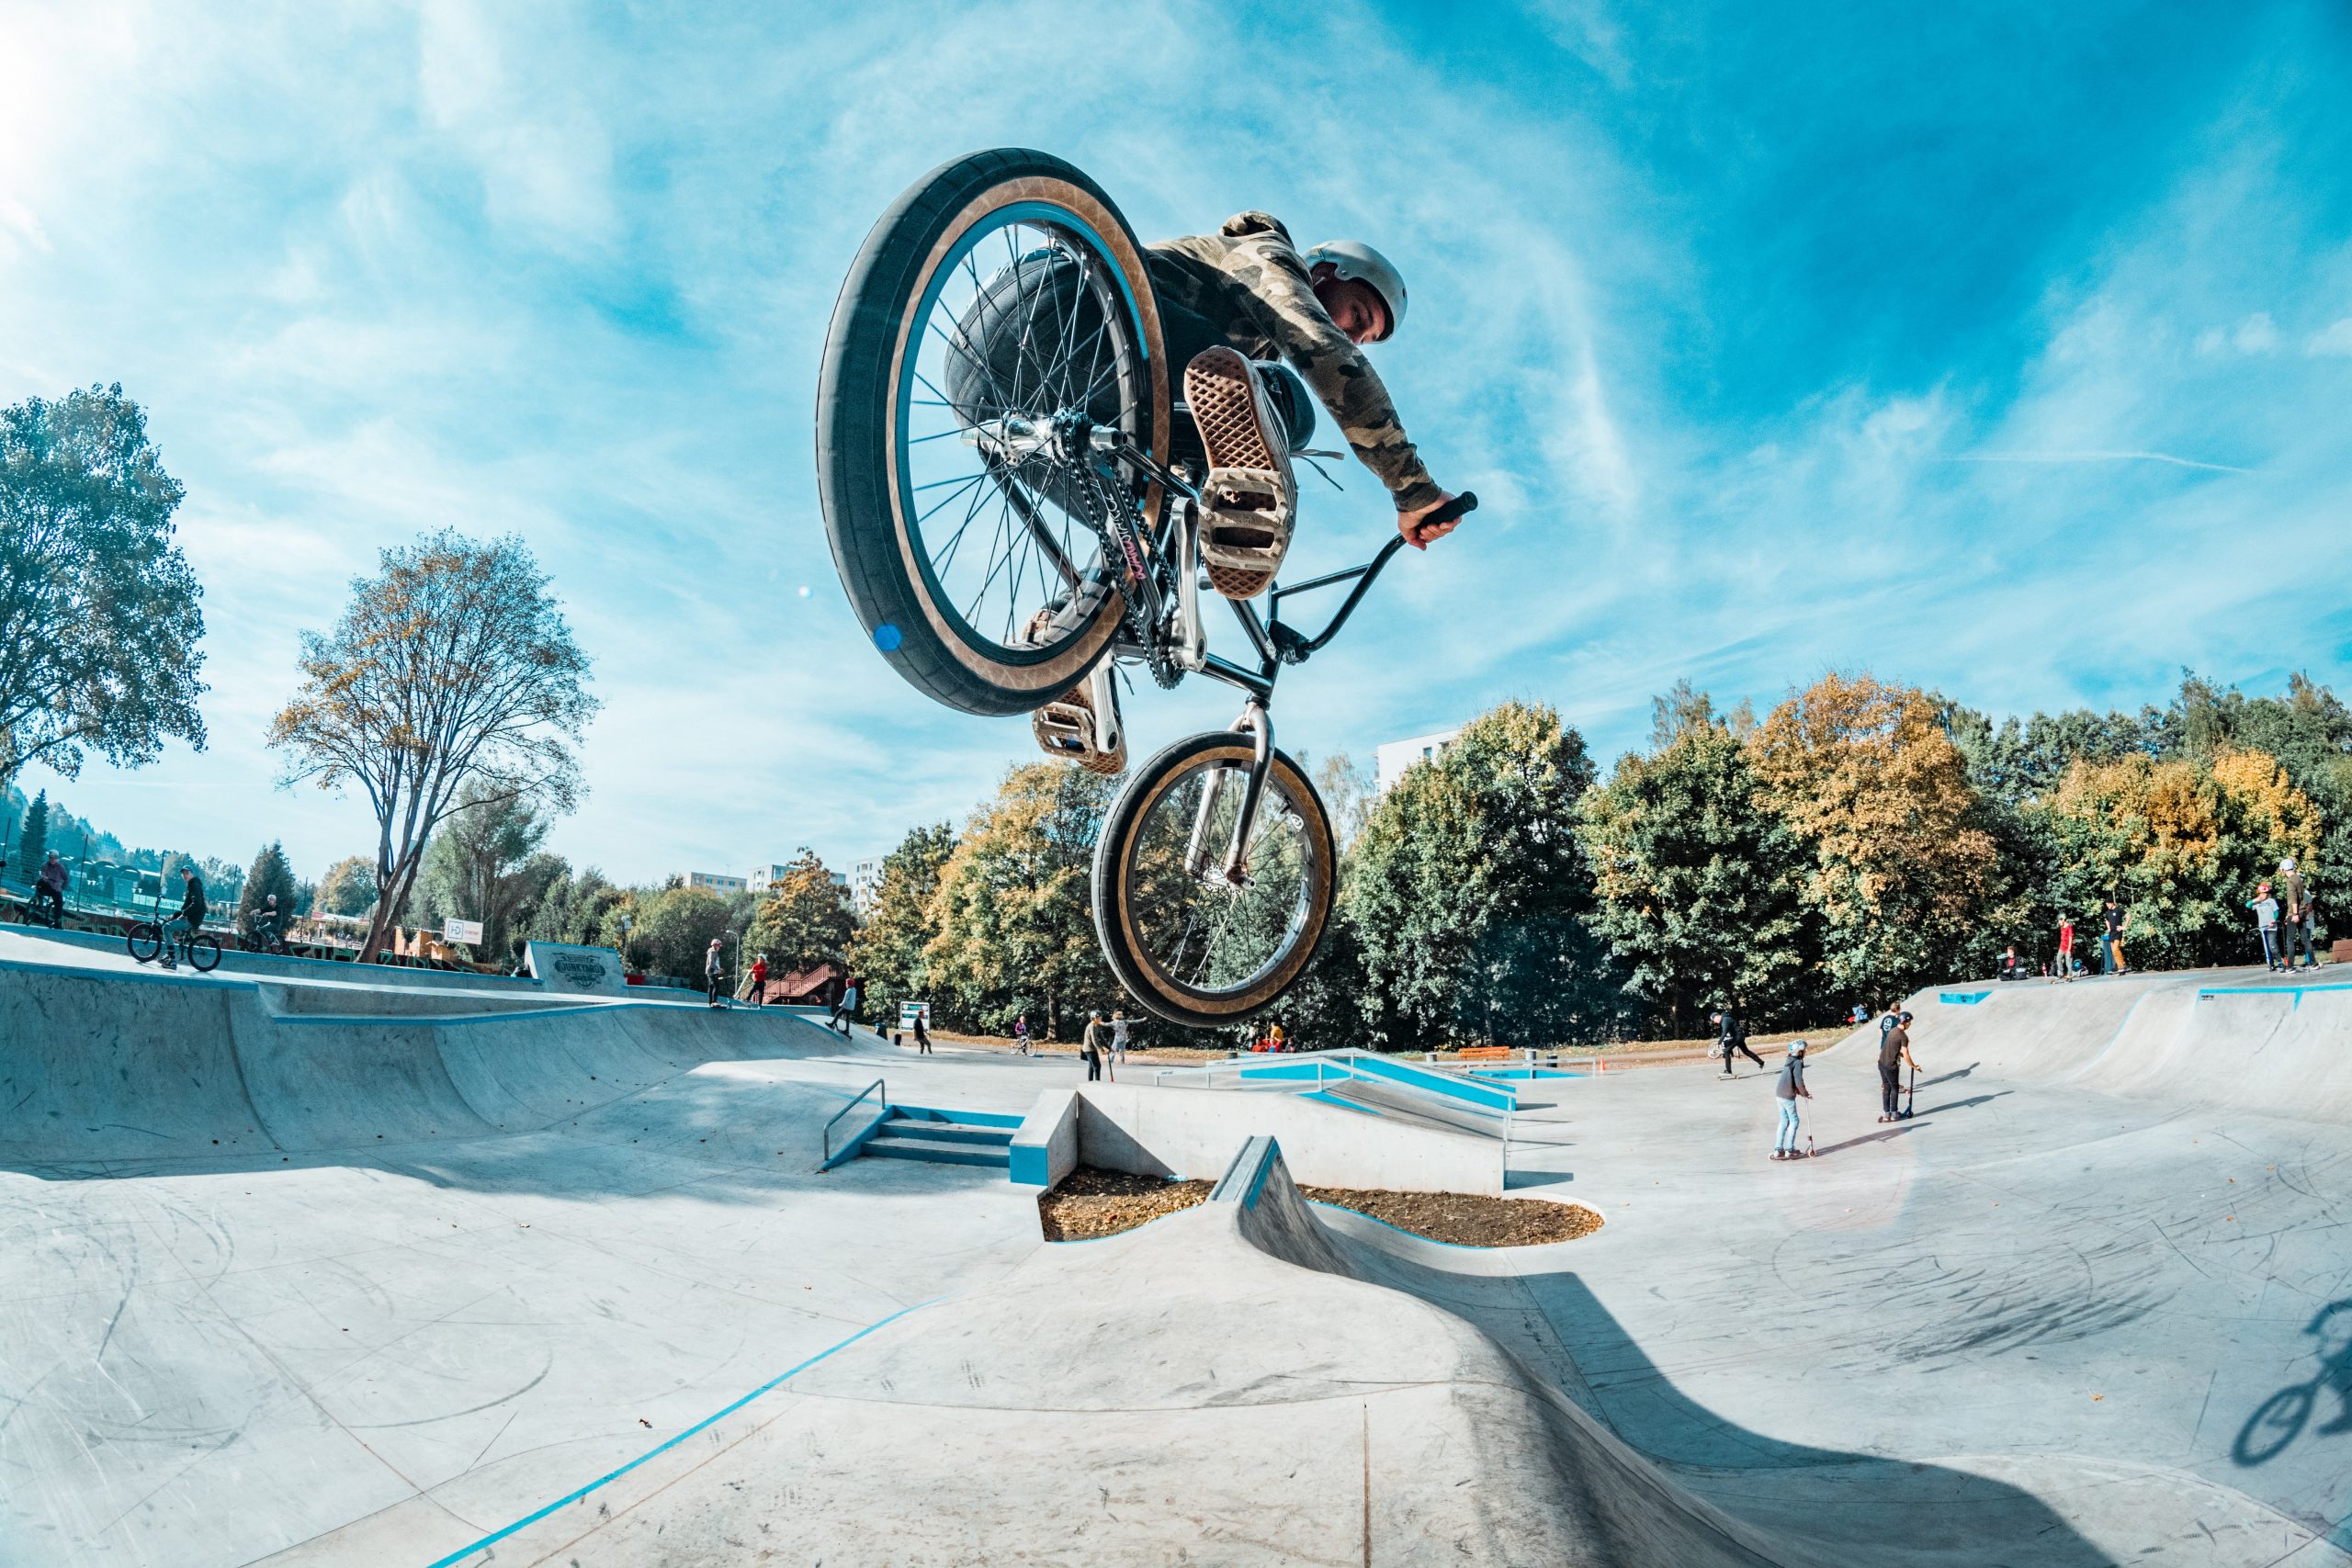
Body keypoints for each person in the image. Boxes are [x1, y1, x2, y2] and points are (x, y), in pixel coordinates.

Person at [1023, 214, 1460, 769]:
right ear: (1325, 272)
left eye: (1364, 340)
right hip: (1068, 306)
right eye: (1356, 318)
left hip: (994, 379)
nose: (1353, 339)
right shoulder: (1265, 251)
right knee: (1286, 400)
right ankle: (1245, 487)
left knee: (1144, 516)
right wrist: (1413, 490)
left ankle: (1070, 639)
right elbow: (1323, 350)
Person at [1770, 1040, 1813, 1161]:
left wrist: (1802, 1093)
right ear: (1799, 1052)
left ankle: (1778, 1149)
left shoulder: (1789, 1060)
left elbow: (1792, 1081)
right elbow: (1798, 1081)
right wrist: (1805, 1093)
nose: (1805, 1052)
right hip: (1787, 1096)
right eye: (1804, 1050)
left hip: (1779, 1094)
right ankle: (1790, 1149)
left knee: (1784, 1121)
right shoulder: (1798, 1063)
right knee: (1794, 1121)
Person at [159, 864, 206, 969]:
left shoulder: (194, 886)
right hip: (191, 916)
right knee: (169, 921)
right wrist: (177, 914)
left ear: (192, 873)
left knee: (166, 928)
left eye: (187, 873)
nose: (185, 875)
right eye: (183, 873)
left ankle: (172, 960)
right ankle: (169, 954)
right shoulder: (192, 885)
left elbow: (197, 903)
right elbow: (189, 906)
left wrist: (184, 914)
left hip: (191, 919)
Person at [2279, 858, 2321, 972]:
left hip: (2295, 913)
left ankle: (2290, 967)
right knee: (2305, 939)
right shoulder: (2298, 878)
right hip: (2302, 912)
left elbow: (2293, 898)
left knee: (2290, 939)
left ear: (2283, 869)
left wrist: (2294, 914)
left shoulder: (2290, 881)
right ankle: (2313, 963)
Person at [1878, 1011, 1919, 1122]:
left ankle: (1887, 1114)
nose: (1910, 1024)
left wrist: (1903, 1057)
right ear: (1905, 1022)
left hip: (1881, 1063)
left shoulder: (1892, 1031)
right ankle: (1894, 1114)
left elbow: (1893, 1050)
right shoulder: (1903, 1036)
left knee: (1886, 1089)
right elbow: (1906, 1054)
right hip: (1891, 1066)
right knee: (1894, 1089)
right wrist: (1914, 1066)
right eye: (1910, 1022)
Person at [1713, 1009, 1764, 1077]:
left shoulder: (1725, 1020)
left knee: (1726, 1051)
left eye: (1714, 1020)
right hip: (1738, 1036)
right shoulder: (1725, 1019)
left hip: (1738, 1037)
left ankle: (1728, 1071)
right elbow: (1728, 1031)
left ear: (1716, 1017)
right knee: (1746, 1051)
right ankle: (1761, 1063)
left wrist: (1719, 1042)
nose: (1715, 1022)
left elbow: (1724, 1032)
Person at [2249, 883, 2283, 970]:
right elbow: (2247, 905)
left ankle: (2280, 962)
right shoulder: (2257, 902)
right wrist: (2254, 900)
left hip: (2271, 927)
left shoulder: (2271, 901)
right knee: (2266, 947)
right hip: (2262, 927)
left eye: (2264, 893)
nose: (2262, 895)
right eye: (2260, 894)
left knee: (2273, 945)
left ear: (2267, 894)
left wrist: (2273, 920)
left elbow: (2276, 912)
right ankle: (2270, 964)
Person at [31, 851, 67, 923]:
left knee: (59, 903)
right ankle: (40, 905)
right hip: (46, 885)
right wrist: (44, 877)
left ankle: (57, 920)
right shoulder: (44, 865)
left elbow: (66, 879)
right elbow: (42, 873)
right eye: (51, 857)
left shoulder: (61, 867)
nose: (52, 859)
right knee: (39, 885)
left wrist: (62, 888)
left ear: (57, 858)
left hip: (55, 889)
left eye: (54, 858)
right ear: (49, 857)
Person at [2101, 899, 2131, 976]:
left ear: (2112, 903)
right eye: (2106, 904)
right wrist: (2108, 928)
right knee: (2114, 951)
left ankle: (2122, 966)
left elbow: (2128, 916)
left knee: (2115, 949)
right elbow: (2106, 920)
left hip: (2118, 932)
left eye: (2108, 904)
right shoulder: (2107, 912)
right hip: (2112, 933)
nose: (2107, 906)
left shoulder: (2118, 910)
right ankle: (2121, 966)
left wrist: (2124, 927)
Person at [1080, 1010, 1107, 1082]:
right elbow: (1094, 1040)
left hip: (1092, 1049)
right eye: (1099, 1017)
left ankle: (1091, 1083)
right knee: (1097, 1066)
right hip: (1089, 1049)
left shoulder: (1096, 1026)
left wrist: (1108, 1047)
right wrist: (1101, 1049)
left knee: (1092, 1066)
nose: (1101, 1019)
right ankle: (1097, 1082)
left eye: (1101, 1017)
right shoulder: (1091, 1026)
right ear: (1094, 1018)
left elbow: (1101, 1037)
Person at [2052, 915, 2076, 984]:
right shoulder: (2062, 927)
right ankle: (2061, 973)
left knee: (2068, 963)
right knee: (2058, 959)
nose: (2058, 923)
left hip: (2068, 947)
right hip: (2062, 947)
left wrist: (2069, 949)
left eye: (2059, 921)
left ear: (2063, 920)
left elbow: (2071, 939)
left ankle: (2069, 977)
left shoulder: (2069, 927)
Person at [704, 939, 727, 1009]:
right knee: (716, 986)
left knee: (711, 987)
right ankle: (714, 1002)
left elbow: (714, 962)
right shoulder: (712, 951)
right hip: (711, 972)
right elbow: (711, 963)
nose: (719, 947)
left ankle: (711, 1002)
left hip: (712, 971)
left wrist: (719, 969)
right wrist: (718, 969)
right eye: (719, 946)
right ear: (715, 945)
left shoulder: (713, 952)